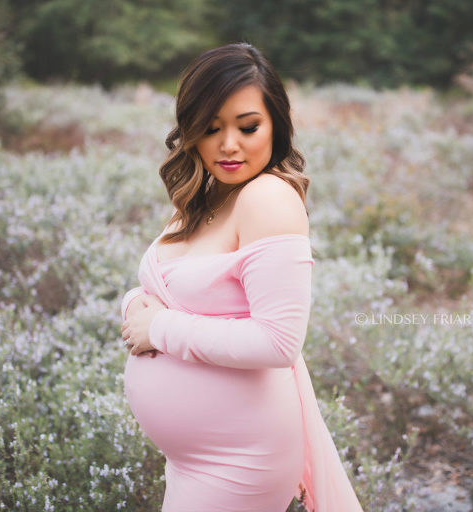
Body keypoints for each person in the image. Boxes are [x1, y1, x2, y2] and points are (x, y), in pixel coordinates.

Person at [120, 43, 363, 512]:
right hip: (192, 459)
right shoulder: (206, 196)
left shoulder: (267, 197)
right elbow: (168, 289)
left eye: (247, 127)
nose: (228, 145)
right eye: (210, 129)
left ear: (276, 124)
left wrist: (160, 330)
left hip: (239, 459)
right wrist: (134, 304)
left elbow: (278, 342)